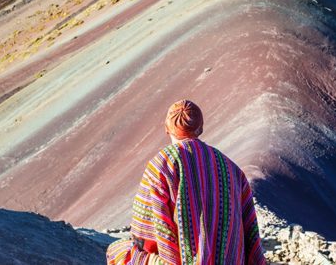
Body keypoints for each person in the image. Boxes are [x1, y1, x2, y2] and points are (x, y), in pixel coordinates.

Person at [106, 100, 266, 265]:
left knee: (117, 251)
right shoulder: (231, 168)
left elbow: (144, 234)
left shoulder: (161, 165)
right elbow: (250, 232)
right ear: (201, 128)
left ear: (166, 129)